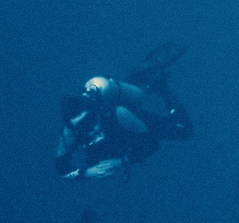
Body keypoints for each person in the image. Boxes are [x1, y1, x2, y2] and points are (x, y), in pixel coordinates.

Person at [54, 45, 195, 178]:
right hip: (115, 140)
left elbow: (152, 144)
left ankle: (161, 87)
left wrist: (123, 161)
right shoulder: (69, 134)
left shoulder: (119, 114)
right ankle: (136, 80)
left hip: (129, 126)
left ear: (95, 112)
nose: (89, 128)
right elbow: (61, 169)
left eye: (89, 121)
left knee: (183, 130)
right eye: (81, 126)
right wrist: (86, 173)